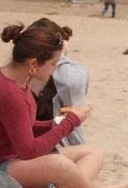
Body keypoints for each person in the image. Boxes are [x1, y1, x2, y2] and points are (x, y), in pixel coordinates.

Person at [0, 21, 128, 188]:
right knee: (59, 164)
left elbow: (23, 126)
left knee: (93, 153)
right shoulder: (8, 92)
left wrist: (58, 122)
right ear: (33, 63)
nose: (55, 69)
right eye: (53, 63)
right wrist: (70, 122)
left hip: (13, 159)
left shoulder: (18, 79)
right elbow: (29, 151)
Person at [31, 18, 88, 148]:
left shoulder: (70, 71)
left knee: (93, 155)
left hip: (61, 142)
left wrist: (59, 56)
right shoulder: (25, 72)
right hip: (33, 143)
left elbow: (70, 85)